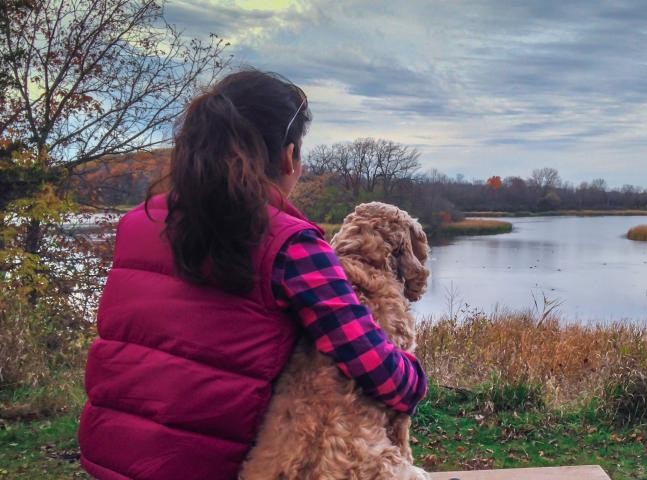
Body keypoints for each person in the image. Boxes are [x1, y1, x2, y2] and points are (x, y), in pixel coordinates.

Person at [77, 69, 428, 480]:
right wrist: (415, 379)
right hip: (204, 469)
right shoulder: (292, 245)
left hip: (109, 456)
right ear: (288, 157)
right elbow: (377, 369)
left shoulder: (141, 221)